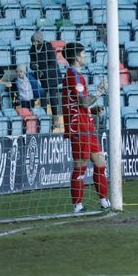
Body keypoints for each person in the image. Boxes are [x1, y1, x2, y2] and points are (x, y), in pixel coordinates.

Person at [61, 42, 109, 213]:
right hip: (78, 128)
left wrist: (92, 109)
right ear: (76, 57)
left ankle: (104, 201)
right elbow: (81, 101)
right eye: (83, 53)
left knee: (101, 163)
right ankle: (78, 205)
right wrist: (99, 92)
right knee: (80, 166)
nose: (85, 56)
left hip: (87, 126)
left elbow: (79, 104)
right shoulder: (73, 75)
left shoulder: (78, 76)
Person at [29, 30, 61, 118]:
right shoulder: (32, 49)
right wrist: (34, 66)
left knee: (52, 96)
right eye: (33, 41)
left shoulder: (49, 48)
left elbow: (52, 64)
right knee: (43, 95)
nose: (34, 43)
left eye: (36, 41)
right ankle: (44, 117)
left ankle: (55, 116)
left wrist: (43, 70)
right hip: (41, 76)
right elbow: (31, 63)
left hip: (52, 75)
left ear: (40, 41)